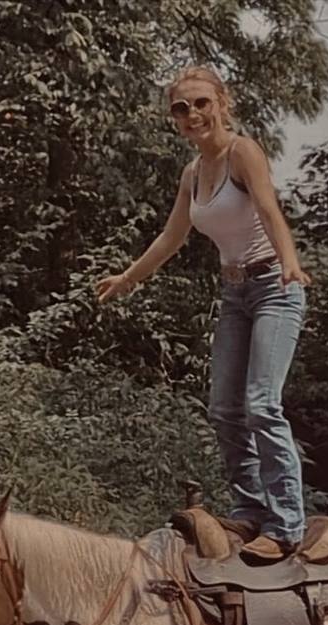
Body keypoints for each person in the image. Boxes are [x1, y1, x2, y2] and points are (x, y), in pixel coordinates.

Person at [96, 65, 310, 561]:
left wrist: (290, 262)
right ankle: (251, 509)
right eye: (181, 107)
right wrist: (127, 278)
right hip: (235, 293)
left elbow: (269, 210)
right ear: (174, 118)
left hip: (274, 287)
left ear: (222, 103)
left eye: (201, 103)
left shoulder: (243, 152)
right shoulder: (192, 173)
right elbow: (171, 237)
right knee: (223, 410)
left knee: (262, 404)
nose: (192, 114)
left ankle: (287, 525)